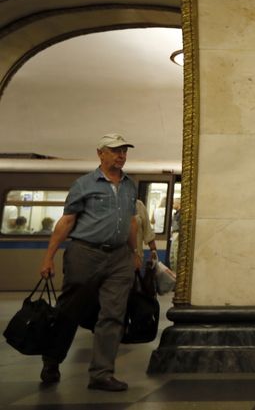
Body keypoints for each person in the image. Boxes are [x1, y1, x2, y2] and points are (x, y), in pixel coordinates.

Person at [39, 133, 141, 391]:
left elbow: (131, 222)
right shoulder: (84, 184)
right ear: (100, 153)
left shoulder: (130, 186)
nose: (121, 155)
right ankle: (52, 359)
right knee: (69, 310)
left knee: (113, 315)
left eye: (124, 151)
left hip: (119, 257)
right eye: (115, 150)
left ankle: (101, 374)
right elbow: (67, 221)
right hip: (85, 254)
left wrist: (135, 253)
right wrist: (48, 258)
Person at [134, 199, 158, 264]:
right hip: (114, 257)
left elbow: (147, 230)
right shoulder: (110, 204)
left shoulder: (139, 205)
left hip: (136, 257)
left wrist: (153, 250)